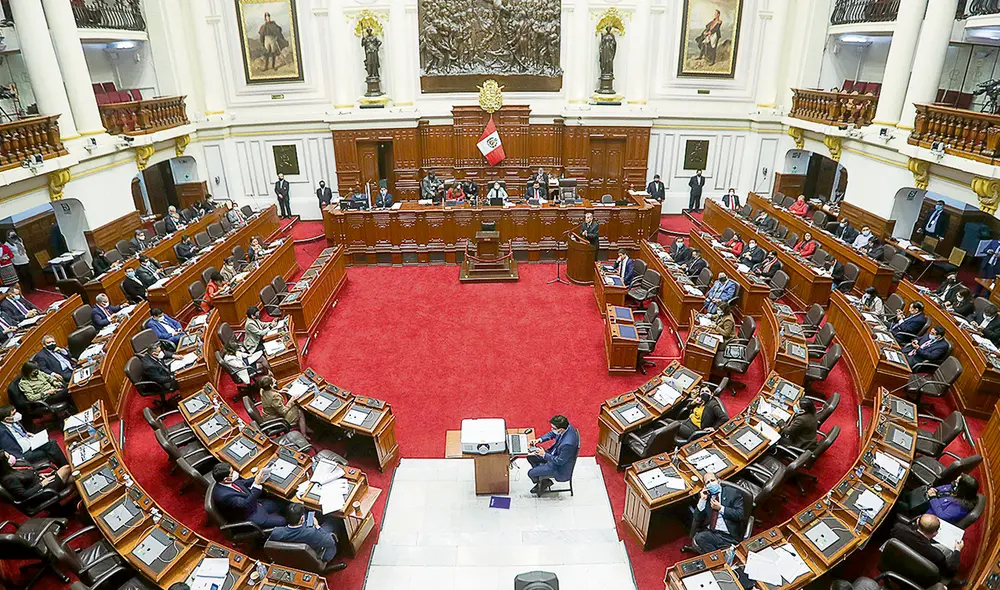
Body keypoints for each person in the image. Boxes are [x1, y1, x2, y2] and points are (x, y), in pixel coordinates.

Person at [268, 503, 346, 570]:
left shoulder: (276, 532)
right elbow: (330, 542)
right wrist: (317, 526)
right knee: (333, 521)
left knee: (310, 514)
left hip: (293, 557)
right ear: (302, 518)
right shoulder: (313, 532)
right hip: (316, 554)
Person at [211, 463, 287, 528]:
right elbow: (246, 504)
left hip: (256, 504)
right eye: (232, 472)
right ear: (226, 479)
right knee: (282, 521)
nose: (234, 473)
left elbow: (243, 483)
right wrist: (256, 485)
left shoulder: (226, 482)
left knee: (281, 504)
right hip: (250, 515)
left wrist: (258, 477)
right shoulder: (225, 496)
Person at [689, 470, 745, 553]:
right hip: (712, 533)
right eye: (708, 482)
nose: (711, 483)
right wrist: (702, 500)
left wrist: (721, 508)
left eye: (712, 480)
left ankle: (720, 555)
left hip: (728, 536)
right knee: (700, 537)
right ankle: (720, 557)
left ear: (718, 481)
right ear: (705, 486)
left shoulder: (733, 493)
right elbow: (697, 518)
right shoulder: (706, 497)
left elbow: (740, 515)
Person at [890, 515, 961, 579]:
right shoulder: (938, 556)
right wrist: (957, 550)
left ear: (917, 522)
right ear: (935, 533)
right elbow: (950, 573)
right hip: (917, 574)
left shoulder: (898, 528)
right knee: (947, 552)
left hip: (898, 562)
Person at [526, 415, 579, 495]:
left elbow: (559, 461)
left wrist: (544, 455)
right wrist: (539, 440)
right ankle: (544, 479)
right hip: (553, 454)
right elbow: (552, 434)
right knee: (531, 457)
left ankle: (543, 481)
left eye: (554, 428)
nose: (552, 430)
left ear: (560, 429)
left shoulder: (568, 444)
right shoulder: (567, 427)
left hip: (558, 467)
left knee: (531, 473)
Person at [0, 406, 69, 466]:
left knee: (50, 442)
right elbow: (12, 450)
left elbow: (18, 432)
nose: (17, 414)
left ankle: (65, 467)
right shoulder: (2, 432)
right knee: (51, 447)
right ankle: (66, 467)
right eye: (14, 414)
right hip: (24, 454)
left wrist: (26, 434)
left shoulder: (12, 421)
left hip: (31, 443)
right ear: (7, 419)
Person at [899, 474, 980, 525]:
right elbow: (942, 488)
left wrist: (933, 498)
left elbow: (941, 515)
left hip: (924, 513)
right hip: (924, 500)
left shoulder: (959, 508)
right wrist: (934, 490)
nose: (954, 482)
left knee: (898, 504)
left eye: (957, 482)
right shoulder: (956, 490)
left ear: (962, 489)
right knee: (902, 492)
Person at [0, 449, 73, 504]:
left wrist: (39, 475)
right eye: (9, 457)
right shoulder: (8, 479)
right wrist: (41, 484)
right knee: (66, 468)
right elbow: (23, 495)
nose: (11, 457)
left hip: (40, 482)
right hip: (40, 493)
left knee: (72, 477)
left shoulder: (11, 469)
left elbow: (26, 474)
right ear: (4, 463)